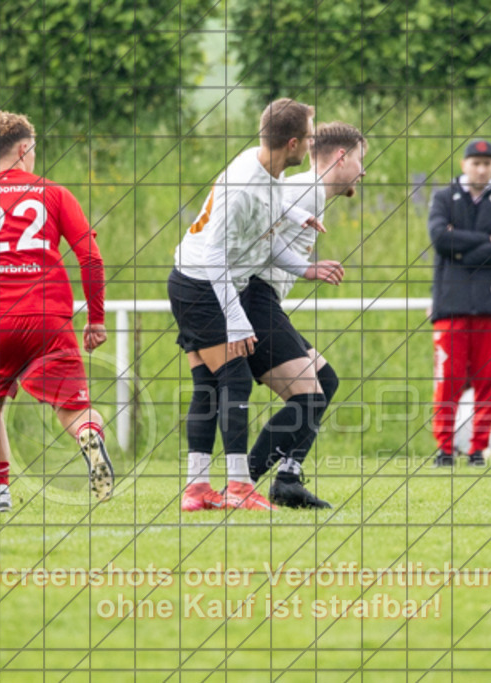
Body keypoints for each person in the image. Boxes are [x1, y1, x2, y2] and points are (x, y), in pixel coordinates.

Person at [168, 98, 344, 512]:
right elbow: (215, 255)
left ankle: (197, 489)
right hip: (201, 284)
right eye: (311, 136)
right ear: (295, 142)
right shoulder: (244, 186)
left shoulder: (260, 164)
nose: (314, 143)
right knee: (235, 380)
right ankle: (238, 487)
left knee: (209, 387)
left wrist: (304, 262)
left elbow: (266, 212)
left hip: (199, 282)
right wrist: (236, 320)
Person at [0, 109, 113, 513]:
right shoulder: (54, 194)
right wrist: (96, 318)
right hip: (48, 319)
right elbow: (91, 258)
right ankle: (88, 434)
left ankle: (0, 496)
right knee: (74, 407)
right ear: (24, 148)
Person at [244, 121, 367, 509]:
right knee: (309, 397)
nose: (363, 171)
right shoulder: (306, 189)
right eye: (361, 160)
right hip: (251, 298)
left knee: (324, 381)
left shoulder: (312, 193)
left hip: (264, 301)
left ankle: (288, 480)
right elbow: (256, 217)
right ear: (342, 156)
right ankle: (242, 482)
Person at [427, 139, 491, 467]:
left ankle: (477, 449)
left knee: (487, 382)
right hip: (451, 305)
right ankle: (444, 447)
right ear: (464, 163)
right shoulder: (443, 197)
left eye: (488, 163)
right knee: (448, 379)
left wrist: (462, 248)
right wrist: (487, 241)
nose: (482, 168)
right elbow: (440, 239)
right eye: (476, 162)